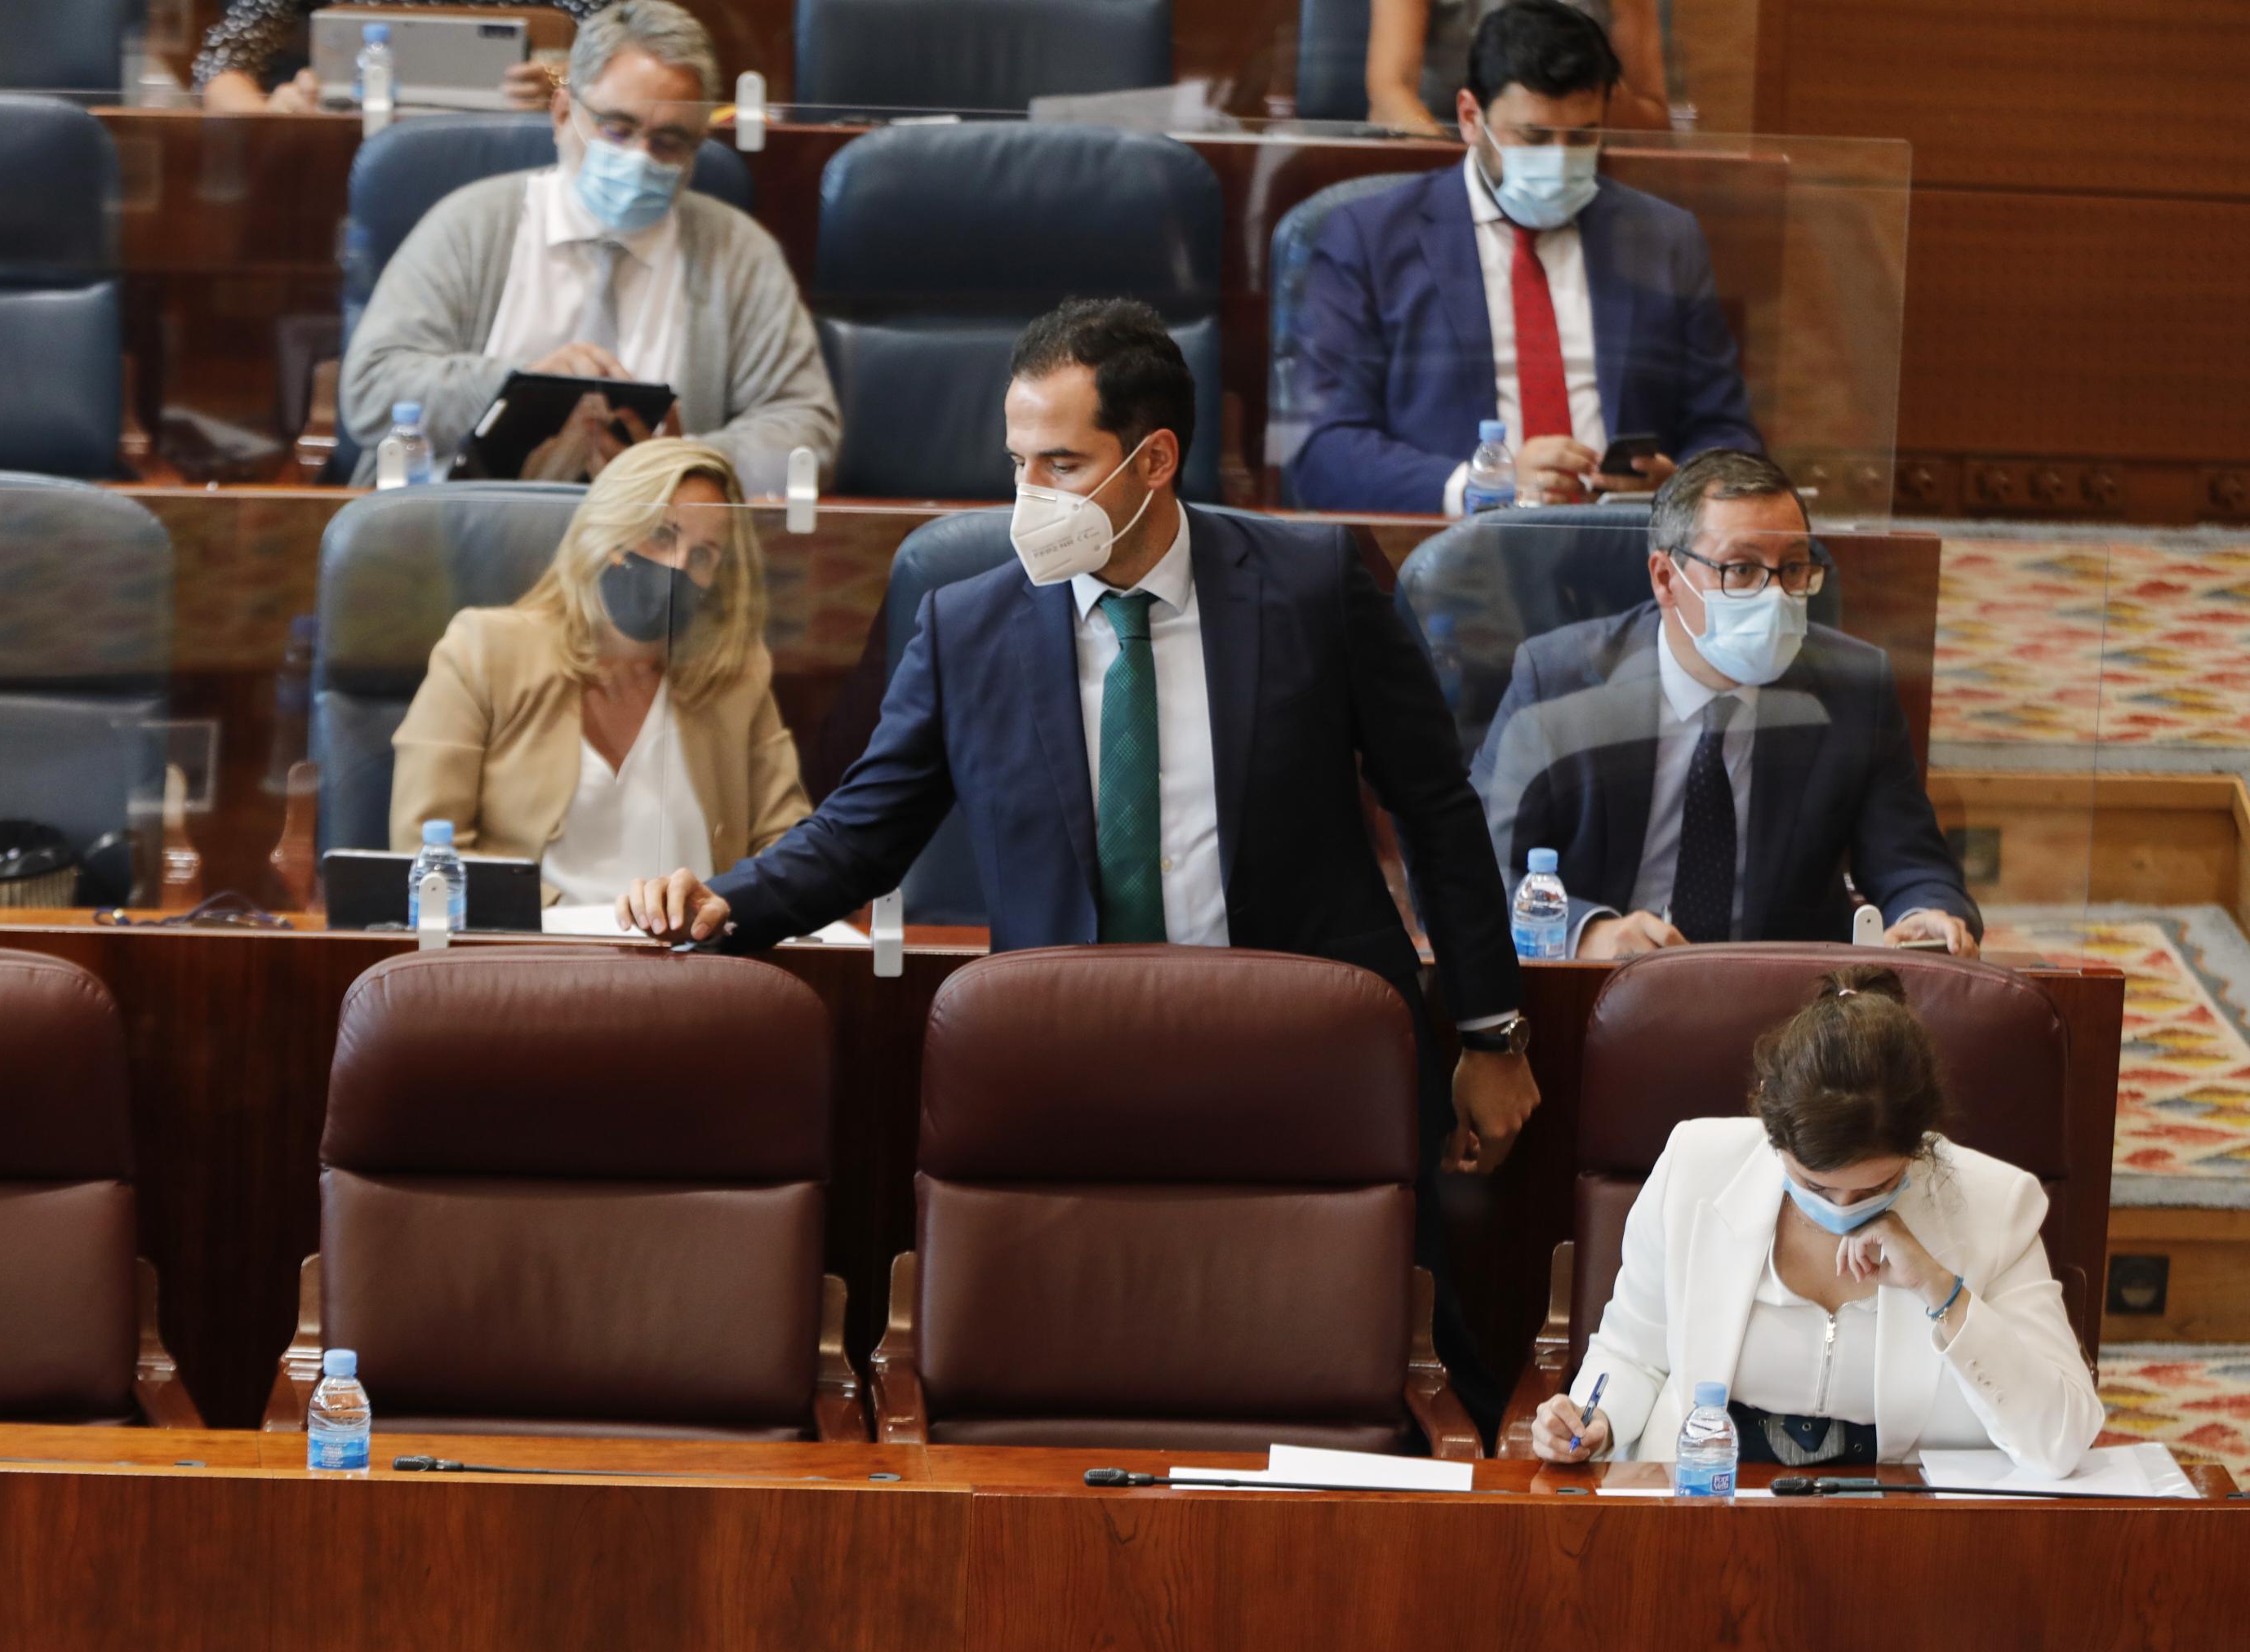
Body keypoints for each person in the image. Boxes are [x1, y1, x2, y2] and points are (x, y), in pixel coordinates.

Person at [618, 297, 1540, 1423]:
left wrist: (1491, 1033)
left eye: (1063, 462)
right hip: (1079, 1052)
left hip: (1304, 1048)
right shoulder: (970, 623)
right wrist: (724, 899)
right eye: (1018, 462)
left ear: (1154, 459)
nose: (1031, 497)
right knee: (1102, 1368)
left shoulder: (1309, 583)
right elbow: (864, 829)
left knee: (1373, 1373)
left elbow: (1436, 806)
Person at [1533, 966, 2105, 1478]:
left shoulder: (1994, 1205)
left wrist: (1942, 1290)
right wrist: (1595, 1419)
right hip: (1706, 1502)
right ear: (1769, 1124)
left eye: (1876, 1188)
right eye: (1813, 1185)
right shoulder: (1694, 1167)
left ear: (1920, 1147)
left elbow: (2062, 1439)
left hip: (1902, 1530)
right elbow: (1634, 1353)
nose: (1841, 1208)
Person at [1470, 450, 1979, 959]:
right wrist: (1582, 933)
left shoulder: (1854, 687)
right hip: (1601, 994)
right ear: (1666, 579)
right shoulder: (1558, 679)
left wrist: (1924, 915)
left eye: (1794, 568)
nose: (1775, 595)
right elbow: (1472, 872)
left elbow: (1912, 864)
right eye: (1741, 569)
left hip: (1784, 1009)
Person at [338, 0, 839, 498]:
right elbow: (372, 389)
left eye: (669, 141)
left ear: (697, 148)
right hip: (467, 533)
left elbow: (804, 429)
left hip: (659, 543)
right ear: (562, 115)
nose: (639, 157)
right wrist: (517, 388)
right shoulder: (468, 226)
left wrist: (682, 467)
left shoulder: (737, 251)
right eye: (616, 129)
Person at [1292, 0, 1758, 515]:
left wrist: (1681, 492)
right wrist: (1482, 484)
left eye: (1581, 137)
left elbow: (1726, 431)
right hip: (1451, 558)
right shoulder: (1371, 239)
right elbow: (1323, 452)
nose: (1559, 158)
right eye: (1533, 137)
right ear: (1471, 118)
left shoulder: (1664, 239)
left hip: (1628, 551)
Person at [387, 437, 810, 905]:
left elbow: (788, 849)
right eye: (663, 534)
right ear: (607, 531)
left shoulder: (734, 676)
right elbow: (422, 853)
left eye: (704, 555)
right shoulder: (485, 651)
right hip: (530, 954)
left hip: (694, 960)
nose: (679, 565)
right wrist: (564, 921)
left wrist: (721, 908)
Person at [196, 0, 603, 113]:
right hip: (349, 157)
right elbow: (222, 66)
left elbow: (627, 49)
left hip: (516, 160)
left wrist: (564, 77)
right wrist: (270, 117)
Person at [1362, 0, 1669, 136]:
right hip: (1446, 144)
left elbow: (1652, 119)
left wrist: (1599, 91)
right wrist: (1453, 181)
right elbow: (1390, 92)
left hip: (1577, 160)